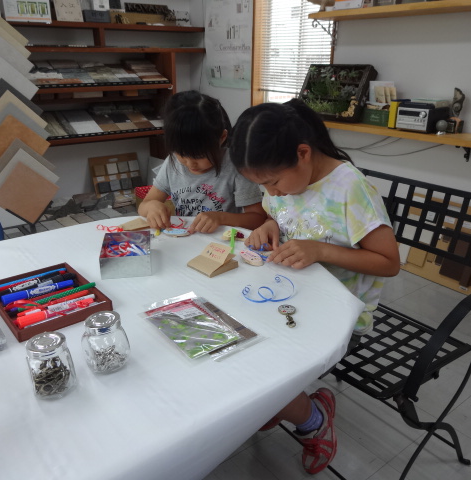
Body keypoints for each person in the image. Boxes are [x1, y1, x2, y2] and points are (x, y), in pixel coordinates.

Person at [228, 99, 400, 475]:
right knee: (230, 340)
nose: (272, 192)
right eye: (262, 185)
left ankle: (314, 419)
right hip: (290, 295)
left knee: (260, 372)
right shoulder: (282, 182)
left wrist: (321, 250)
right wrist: (268, 226)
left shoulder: (349, 188)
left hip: (340, 314)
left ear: (303, 154)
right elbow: (278, 216)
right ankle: (280, 403)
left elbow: (389, 263)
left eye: (273, 182)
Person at [137, 90, 266, 233]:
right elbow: (144, 205)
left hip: (221, 242)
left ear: (222, 138)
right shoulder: (172, 163)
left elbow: (258, 218)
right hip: (186, 238)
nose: (190, 163)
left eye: (198, 156)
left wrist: (221, 218)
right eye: (182, 154)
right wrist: (152, 207)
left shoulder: (236, 166)